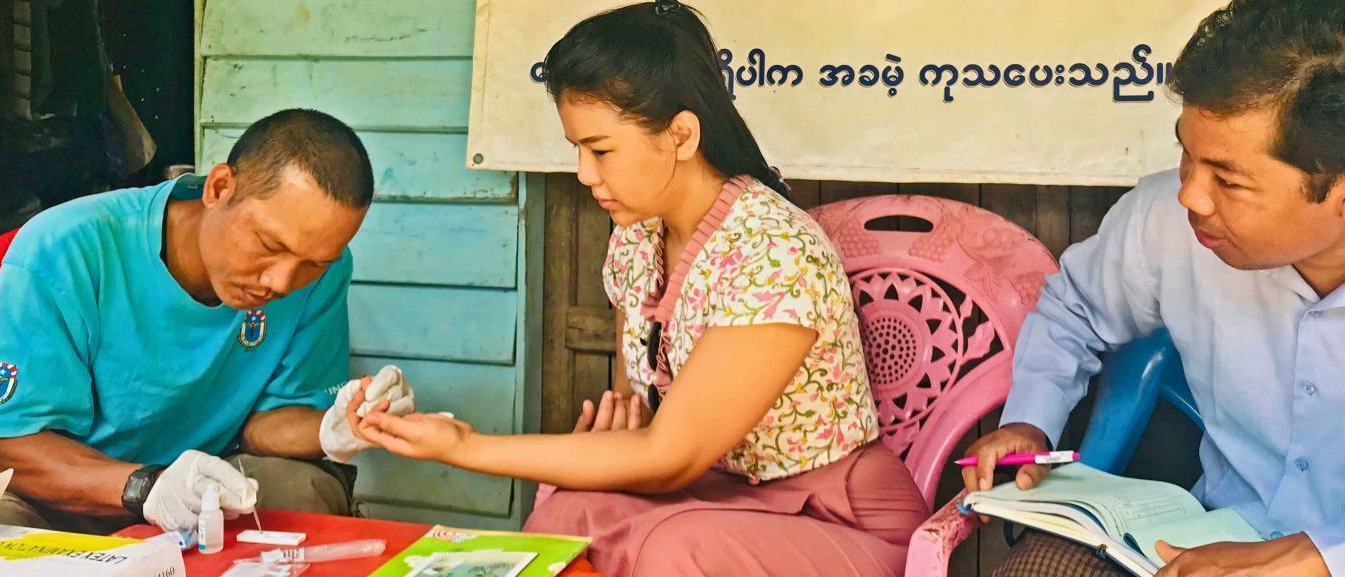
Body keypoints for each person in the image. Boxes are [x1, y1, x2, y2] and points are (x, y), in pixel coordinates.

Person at [346, 2, 929, 576]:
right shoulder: (636, 240)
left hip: (834, 516)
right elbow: (643, 421)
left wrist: (464, 445)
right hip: (715, 499)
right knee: (566, 515)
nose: (584, 173)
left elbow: (667, 457)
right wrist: (616, 443)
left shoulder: (775, 251)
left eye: (601, 150)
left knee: (675, 551)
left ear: (681, 135)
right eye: (577, 149)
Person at [962, 1, 1345, 576]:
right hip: (1205, 543)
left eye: (1228, 180)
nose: (1190, 197)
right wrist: (1031, 421)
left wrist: (1319, 561)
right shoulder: (1167, 223)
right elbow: (1074, 310)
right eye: (1186, 154)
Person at [0, 109, 418, 535]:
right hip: (51, 497)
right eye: (269, 245)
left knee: (302, 489)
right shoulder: (68, 247)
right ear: (219, 188)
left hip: (194, 489)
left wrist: (335, 425)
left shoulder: (324, 273)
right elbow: (7, 451)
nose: (281, 282)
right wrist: (146, 487)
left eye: (313, 263)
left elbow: (264, 423)